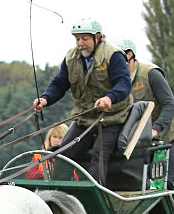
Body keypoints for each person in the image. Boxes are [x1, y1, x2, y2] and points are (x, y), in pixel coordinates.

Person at [33, 18, 132, 184]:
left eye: (85, 38)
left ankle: (95, 199)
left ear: (97, 38)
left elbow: (124, 83)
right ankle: (58, 196)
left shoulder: (113, 55)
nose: (80, 43)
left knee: (98, 155)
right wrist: (45, 99)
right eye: (77, 39)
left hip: (111, 118)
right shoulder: (71, 57)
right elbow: (60, 83)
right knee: (63, 154)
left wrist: (109, 98)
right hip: (84, 118)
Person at [118, 38, 174, 189]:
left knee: (164, 186)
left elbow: (170, 105)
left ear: (129, 55)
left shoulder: (150, 73)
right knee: (139, 187)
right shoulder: (117, 80)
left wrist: (154, 130)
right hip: (141, 145)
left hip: (166, 139)